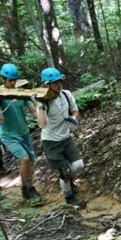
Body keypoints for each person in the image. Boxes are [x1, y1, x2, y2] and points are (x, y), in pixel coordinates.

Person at [33, 67, 85, 208]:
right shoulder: (43, 102)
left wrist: (73, 118)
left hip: (66, 138)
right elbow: (42, 124)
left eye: (59, 81)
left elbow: (75, 110)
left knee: (78, 165)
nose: (59, 84)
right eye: (55, 82)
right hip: (51, 141)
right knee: (64, 171)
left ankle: (68, 181)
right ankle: (70, 198)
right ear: (47, 85)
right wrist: (41, 105)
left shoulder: (66, 94)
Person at [0, 63, 42, 204]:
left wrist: (40, 121)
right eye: (10, 80)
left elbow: (32, 109)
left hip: (23, 132)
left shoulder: (20, 92)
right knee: (24, 159)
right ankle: (31, 190)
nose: (13, 83)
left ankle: (24, 189)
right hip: (8, 134)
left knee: (27, 162)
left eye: (14, 80)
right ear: (3, 79)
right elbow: (0, 120)